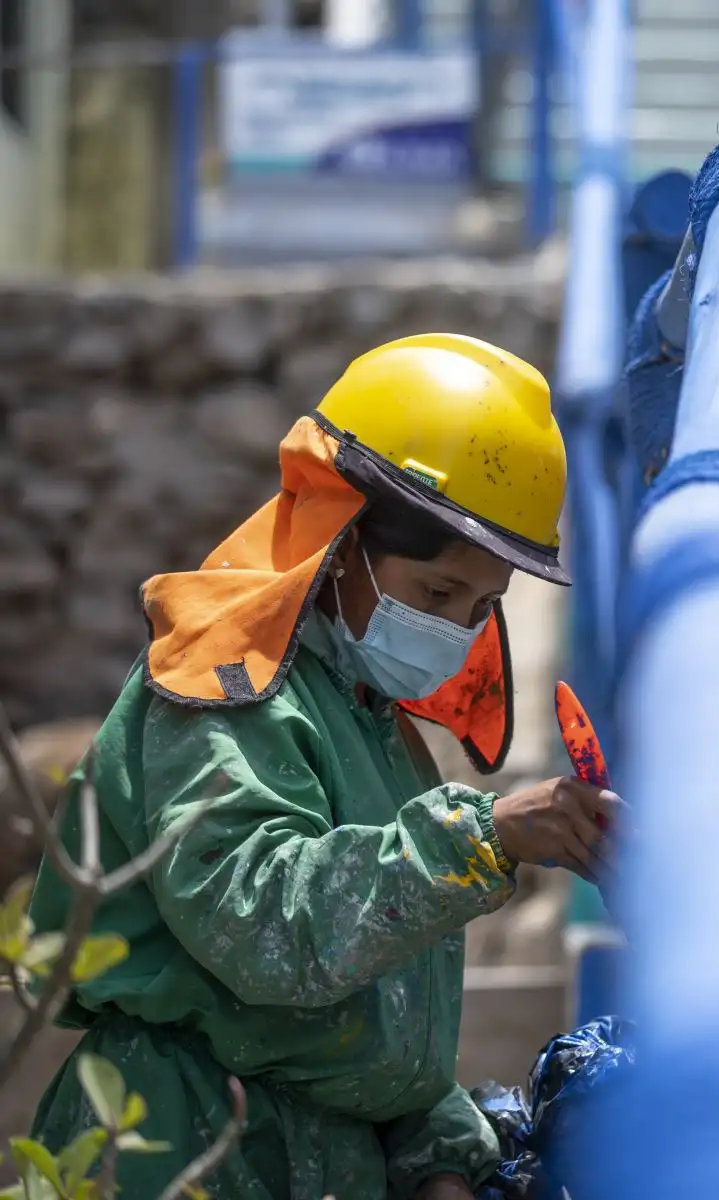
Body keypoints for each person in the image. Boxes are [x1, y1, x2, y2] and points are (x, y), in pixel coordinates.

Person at [25, 333, 620, 1200]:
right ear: (339, 541)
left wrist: (440, 1157)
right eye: (436, 595)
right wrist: (484, 834)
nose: (455, 630)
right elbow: (267, 928)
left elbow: (380, 1031)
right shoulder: (220, 691)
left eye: (482, 605)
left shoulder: (374, 722)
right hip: (181, 1151)